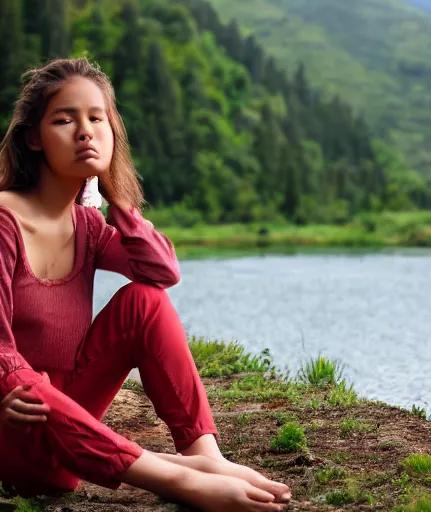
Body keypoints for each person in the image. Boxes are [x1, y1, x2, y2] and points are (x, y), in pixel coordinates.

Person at [0, 57, 291, 512]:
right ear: (33, 138)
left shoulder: (89, 227)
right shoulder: (4, 220)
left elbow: (161, 272)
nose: (85, 131)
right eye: (64, 119)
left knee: (144, 300)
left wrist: (119, 199)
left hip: (72, 420)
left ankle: (205, 458)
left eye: (97, 118)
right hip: (15, 418)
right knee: (29, 385)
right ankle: (180, 480)